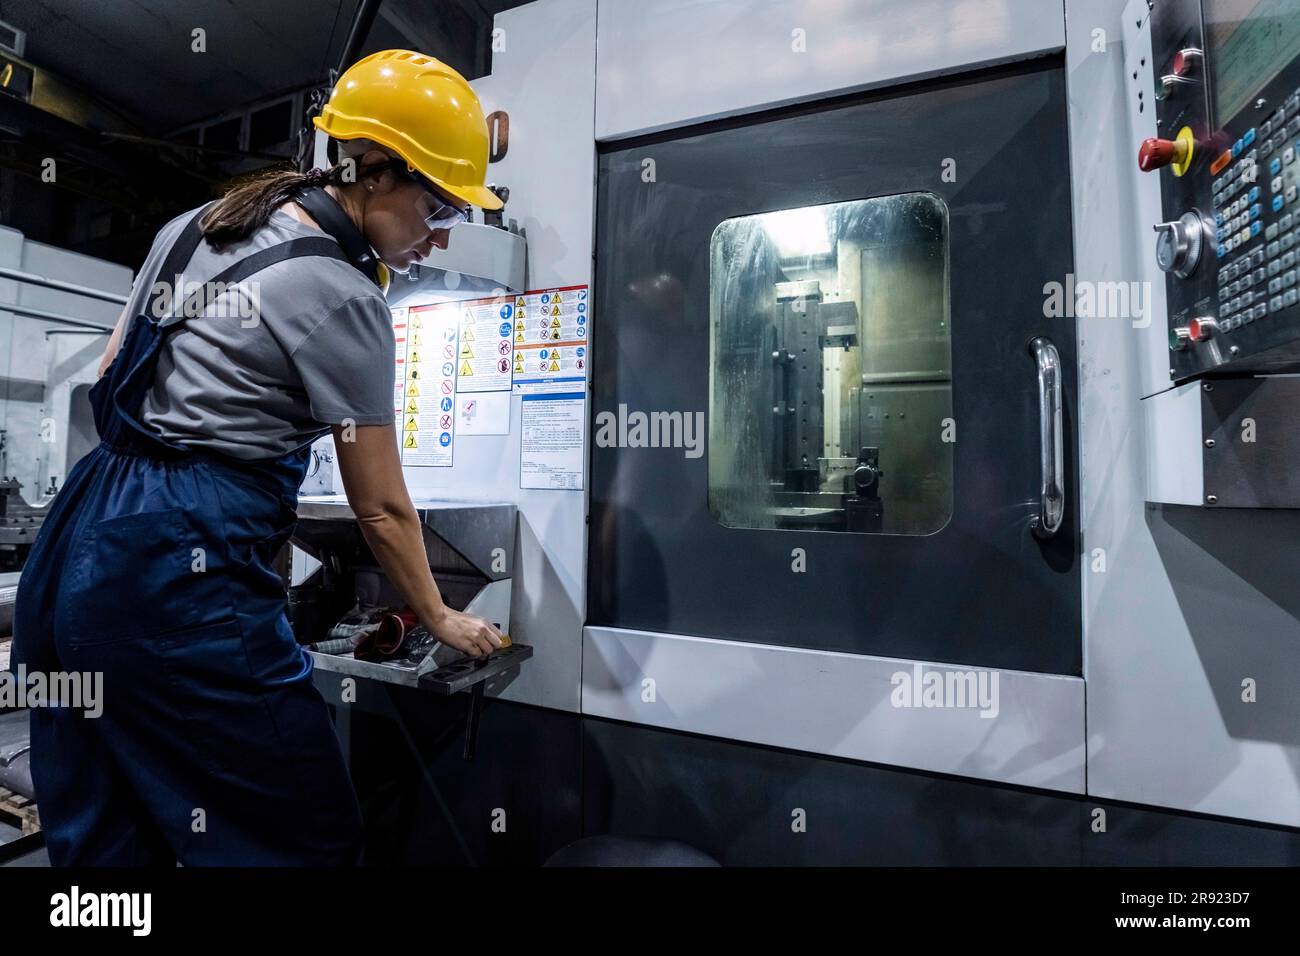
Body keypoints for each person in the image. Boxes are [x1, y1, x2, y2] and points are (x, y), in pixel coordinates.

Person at [11, 50, 505, 865]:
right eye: (438, 201)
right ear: (375, 172)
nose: (442, 229)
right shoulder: (344, 294)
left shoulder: (191, 228)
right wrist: (441, 616)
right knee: (297, 837)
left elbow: (108, 379)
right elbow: (380, 507)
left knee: (104, 838)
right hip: (176, 575)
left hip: (80, 543)